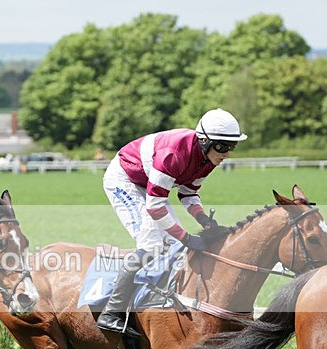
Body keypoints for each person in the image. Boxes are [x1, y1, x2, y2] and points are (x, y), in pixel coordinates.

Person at [96, 108, 247, 337]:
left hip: (151, 187)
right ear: (204, 140)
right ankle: (111, 312)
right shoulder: (173, 154)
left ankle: (160, 296)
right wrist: (186, 237)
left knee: (172, 244)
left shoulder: (209, 158)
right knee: (152, 245)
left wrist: (203, 218)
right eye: (223, 147)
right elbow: (155, 206)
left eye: (231, 147)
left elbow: (188, 193)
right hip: (125, 180)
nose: (227, 153)